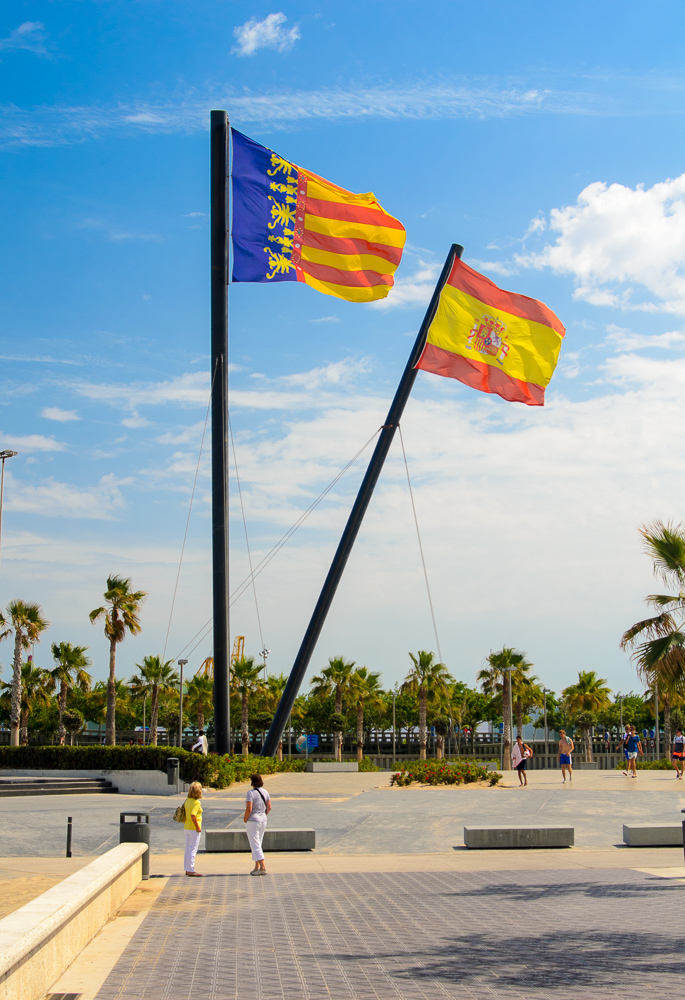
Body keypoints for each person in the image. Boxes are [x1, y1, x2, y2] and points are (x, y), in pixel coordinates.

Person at [244, 773, 271, 874]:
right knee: (258, 843)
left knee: (255, 844)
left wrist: (245, 818)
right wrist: (263, 815)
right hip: (263, 820)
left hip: (253, 821)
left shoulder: (250, 793)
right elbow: (269, 807)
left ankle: (263, 866)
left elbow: (249, 809)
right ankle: (257, 867)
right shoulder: (265, 792)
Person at [182, 781, 204, 877]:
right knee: (193, 849)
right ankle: (191, 869)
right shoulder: (196, 803)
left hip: (186, 827)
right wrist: (197, 827)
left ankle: (187, 868)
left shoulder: (187, 800)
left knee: (188, 848)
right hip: (193, 828)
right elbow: (193, 815)